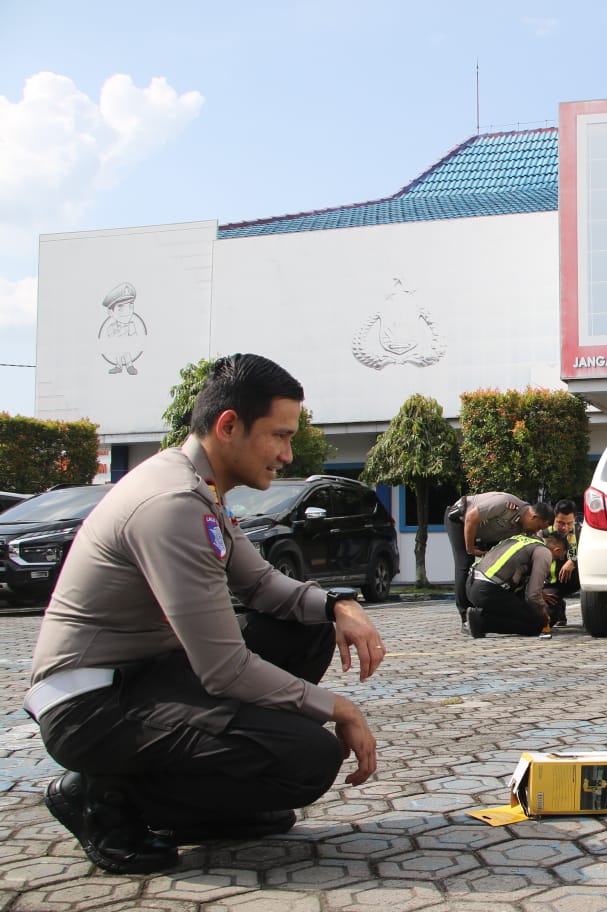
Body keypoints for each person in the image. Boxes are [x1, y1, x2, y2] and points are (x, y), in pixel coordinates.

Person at [24, 354, 385, 875]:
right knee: (309, 757)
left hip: (144, 675)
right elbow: (225, 669)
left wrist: (338, 605)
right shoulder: (171, 503)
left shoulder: (199, 487)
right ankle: (102, 797)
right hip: (90, 706)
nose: (287, 454)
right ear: (229, 426)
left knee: (306, 628)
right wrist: (338, 708)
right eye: (279, 436)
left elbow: (261, 585)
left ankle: (216, 806)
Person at [444, 493, 553, 626]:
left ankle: (489, 608)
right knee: (465, 563)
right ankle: (465, 617)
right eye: (538, 527)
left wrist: (539, 591)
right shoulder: (505, 504)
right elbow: (471, 517)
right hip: (461, 520)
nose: (537, 532)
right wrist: (470, 548)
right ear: (533, 516)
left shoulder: (525, 530)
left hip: (483, 535)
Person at [467, 531, 569, 638]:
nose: (554, 561)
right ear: (557, 550)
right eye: (557, 558)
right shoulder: (544, 552)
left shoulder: (522, 539)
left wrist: (541, 594)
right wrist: (543, 615)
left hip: (471, 584)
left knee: (520, 609)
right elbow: (533, 596)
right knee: (536, 624)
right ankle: (482, 622)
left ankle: (483, 616)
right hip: (489, 591)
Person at [541, 499, 580, 626]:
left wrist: (573, 560)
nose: (565, 527)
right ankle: (559, 608)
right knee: (545, 620)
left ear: (574, 519)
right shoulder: (544, 535)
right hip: (553, 583)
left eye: (569, 523)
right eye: (560, 523)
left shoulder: (582, 532)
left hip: (578, 579)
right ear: (554, 518)